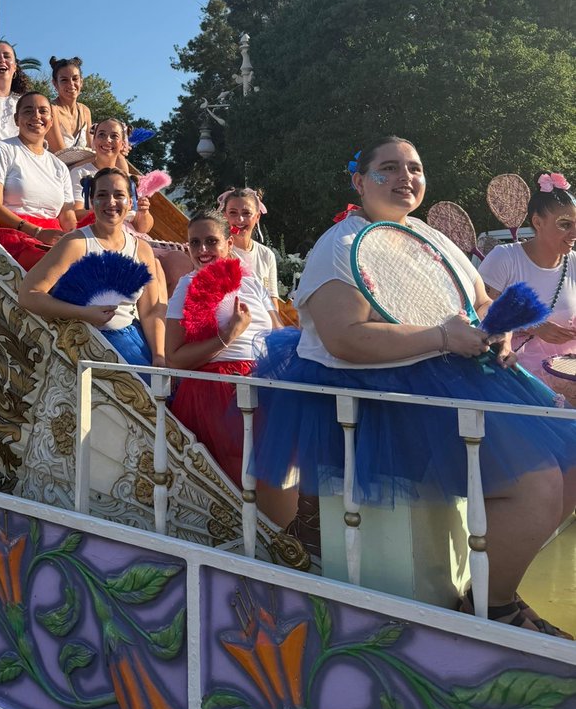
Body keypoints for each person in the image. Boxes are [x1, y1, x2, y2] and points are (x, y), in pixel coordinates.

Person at [254, 136, 576, 636]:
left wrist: (501, 332)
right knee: (536, 486)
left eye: (415, 168)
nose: (406, 177)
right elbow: (345, 340)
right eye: (389, 168)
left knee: (569, 466)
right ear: (359, 181)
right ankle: (492, 608)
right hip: (388, 399)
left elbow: (482, 303)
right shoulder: (336, 246)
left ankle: (491, 589)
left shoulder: (431, 237)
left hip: (459, 379)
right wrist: (444, 335)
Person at [165, 213, 294, 522]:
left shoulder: (254, 285)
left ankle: (282, 554)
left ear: (229, 243)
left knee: (279, 478)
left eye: (211, 241)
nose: (202, 250)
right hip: (215, 393)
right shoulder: (187, 285)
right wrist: (228, 336)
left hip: (264, 386)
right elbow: (175, 357)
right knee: (238, 490)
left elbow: (279, 340)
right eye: (195, 243)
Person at [17, 167, 165, 366]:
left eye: (119, 195)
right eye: (102, 195)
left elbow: (149, 311)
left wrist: (158, 356)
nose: (111, 202)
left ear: (130, 202)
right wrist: (83, 313)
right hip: (84, 342)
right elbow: (28, 294)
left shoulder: (142, 249)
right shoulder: (75, 243)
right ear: (91, 201)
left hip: (133, 340)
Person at [480, 174, 576, 398]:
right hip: (516, 374)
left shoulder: (574, 262)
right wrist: (534, 326)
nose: (574, 233)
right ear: (537, 222)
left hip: (568, 375)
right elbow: (480, 310)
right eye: (565, 225)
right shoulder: (505, 258)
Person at [72, 119, 191, 296]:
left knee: (180, 263)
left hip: (137, 236)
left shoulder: (129, 179)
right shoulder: (80, 173)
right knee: (154, 265)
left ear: (122, 143)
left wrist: (143, 211)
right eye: (102, 135)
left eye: (114, 136)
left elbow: (143, 226)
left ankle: (168, 318)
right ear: (94, 139)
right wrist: (111, 209)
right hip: (104, 234)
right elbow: (75, 213)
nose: (107, 141)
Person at [0, 92, 77, 269]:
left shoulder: (60, 167)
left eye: (43, 111)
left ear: (51, 121)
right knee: (55, 266)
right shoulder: (1, 150)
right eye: (28, 111)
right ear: (17, 119)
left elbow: (67, 217)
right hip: (11, 235)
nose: (36, 116)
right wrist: (37, 232)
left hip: (50, 239)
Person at [218, 187, 288, 315]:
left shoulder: (267, 255)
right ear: (224, 216)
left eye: (246, 213)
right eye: (233, 213)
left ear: (257, 217)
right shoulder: (218, 252)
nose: (239, 219)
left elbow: (272, 301)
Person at [45, 56, 93, 164]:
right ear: (55, 84)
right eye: (64, 80)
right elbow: (62, 155)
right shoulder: (51, 109)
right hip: (58, 172)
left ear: (81, 81)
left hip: (84, 172)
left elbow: (93, 149)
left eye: (75, 79)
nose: (71, 84)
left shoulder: (85, 111)